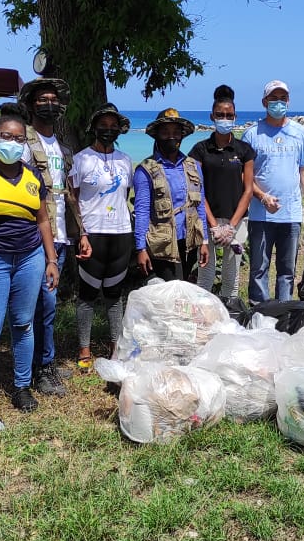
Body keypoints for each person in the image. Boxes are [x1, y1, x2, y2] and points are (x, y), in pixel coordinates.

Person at [0, 111, 60, 412]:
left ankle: (22, 386)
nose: (12, 143)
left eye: (19, 139)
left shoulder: (32, 176)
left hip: (31, 257)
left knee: (23, 323)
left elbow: (42, 220)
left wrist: (51, 260)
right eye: (7, 137)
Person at [17, 79, 86, 397]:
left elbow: (68, 194)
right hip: (34, 236)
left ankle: (43, 362)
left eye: (53, 100)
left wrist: (81, 232)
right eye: (42, 100)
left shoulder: (64, 147)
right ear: (31, 105)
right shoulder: (22, 144)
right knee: (41, 304)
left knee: (49, 305)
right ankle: (38, 369)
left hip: (60, 236)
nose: (49, 104)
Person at [242, 80, 304, 305]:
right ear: (264, 102)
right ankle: (259, 312)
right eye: (273, 98)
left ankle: (284, 312)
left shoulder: (300, 133)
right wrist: (262, 196)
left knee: (287, 270)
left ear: (288, 101)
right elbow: (244, 175)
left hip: (292, 214)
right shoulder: (251, 134)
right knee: (259, 267)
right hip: (260, 214)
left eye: (282, 98)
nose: (278, 102)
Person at [70, 104, 134, 370]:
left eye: (113, 127)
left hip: (121, 233)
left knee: (114, 295)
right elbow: (72, 198)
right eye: (103, 126)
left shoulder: (125, 159)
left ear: (119, 130)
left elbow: (126, 193)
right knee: (87, 294)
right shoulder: (81, 158)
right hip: (92, 233)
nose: (108, 131)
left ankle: (114, 345)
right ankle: (84, 348)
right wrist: (81, 232)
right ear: (94, 128)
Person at [190, 85, 256, 298]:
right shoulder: (200, 149)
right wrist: (214, 225)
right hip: (208, 221)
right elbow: (197, 189)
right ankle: (203, 320)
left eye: (228, 115)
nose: (224, 119)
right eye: (220, 115)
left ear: (235, 117)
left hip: (236, 221)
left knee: (232, 276)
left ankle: (231, 318)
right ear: (212, 116)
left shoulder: (244, 150)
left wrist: (230, 226)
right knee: (205, 275)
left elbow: (248, 190)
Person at [135, 108, 211, 282]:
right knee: (169, 290)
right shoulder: (146, 169)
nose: (172, 137)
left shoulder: (193, 166)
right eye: (166, 132)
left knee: (185, 285)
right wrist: (141, 249)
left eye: (176, 132)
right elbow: (142, 211)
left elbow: (198, 206)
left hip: (190, 240)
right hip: (162, 243)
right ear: (157, 136)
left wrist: (204, 241)